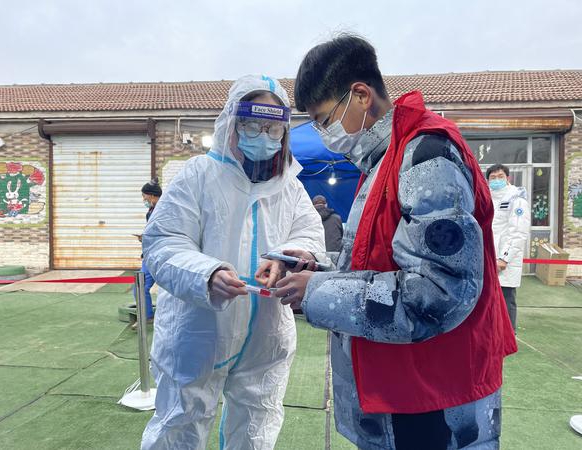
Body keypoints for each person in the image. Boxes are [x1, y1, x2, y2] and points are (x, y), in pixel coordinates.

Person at [274, 35, 517, 449]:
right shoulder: (385, 160)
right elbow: (381, 261)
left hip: (434, 398)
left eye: (324, 119)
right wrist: (318, 268)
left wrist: (316, 292)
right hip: (405, 387)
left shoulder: (426, 156)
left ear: (360, 96)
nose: (324, 133)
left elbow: (438, 292)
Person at [140, 74, 325, 449]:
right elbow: (162, 243)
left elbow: (309, 234)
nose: (263, 136)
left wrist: (290, 257)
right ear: (232, 123)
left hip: (266, 335)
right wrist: (207, 274)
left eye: (273, 128)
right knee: (179, 425)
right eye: (252, 125)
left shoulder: (290, 186)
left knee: (257, 427)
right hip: (198, 330)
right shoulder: (199, 175)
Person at [487, 164, 530, 331]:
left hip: (504, 260)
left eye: (500, 176)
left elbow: (518, 232)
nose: (496, 180)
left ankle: (508, 335)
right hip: (488, 257)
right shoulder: (487, 197)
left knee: (505, 299)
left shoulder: (516, 198)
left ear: (508, 178)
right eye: (493, 177)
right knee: (488, 300)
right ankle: (493, 335)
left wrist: (504, 258)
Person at [132, 178, 162, 329]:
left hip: (157, 254)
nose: (143, 199)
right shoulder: (151, 211)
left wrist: (147, 239)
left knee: (140, 287)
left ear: (152, 195)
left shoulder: (162, 211)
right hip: (150, 253)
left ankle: (146, 316)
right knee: (139, 286)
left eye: (144, 196)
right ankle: (147, 315)